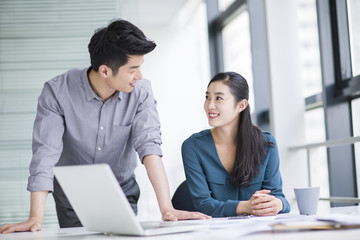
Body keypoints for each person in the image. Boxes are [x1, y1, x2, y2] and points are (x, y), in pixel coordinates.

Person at [0, 19, 209, 234]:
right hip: (72, 195)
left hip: (122, 187)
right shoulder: (57, 92)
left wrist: (167, 208)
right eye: (133, 69)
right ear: (105, 71)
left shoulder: (141, 91)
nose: (140, 75)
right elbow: (46, 153)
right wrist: (35, 217)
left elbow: (149, 146)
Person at [182, 72, 290, 217]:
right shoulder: (193, 147)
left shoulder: (266, 144)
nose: (210, 105)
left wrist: (278, 204)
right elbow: (202, 204)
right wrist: (245, 207)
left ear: (241, 105)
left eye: (218, 98)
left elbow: (277, 196)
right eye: (207, 97)